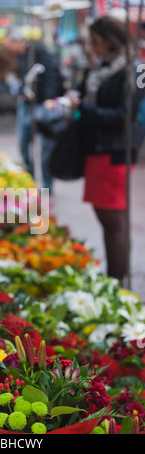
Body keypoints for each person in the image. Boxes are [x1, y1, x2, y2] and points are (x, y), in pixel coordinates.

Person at [70, 15, 145, 282]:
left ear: (110, 40)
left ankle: (117, 281)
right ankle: (114, 277)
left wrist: (84, 109)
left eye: (96, 41)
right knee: (106, 217)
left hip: (114, 152)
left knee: (114, 220)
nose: (92, 46)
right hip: (97, 149)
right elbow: (84, 94)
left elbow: (123, 115)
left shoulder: (135, 71)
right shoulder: (99, 68)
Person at [3, 28, 65, 192]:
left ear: (18, 41)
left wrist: (49, 99)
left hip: (43, 105)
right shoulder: (20, 56)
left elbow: (52, 75)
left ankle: (47, 183)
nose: (7, 49)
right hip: (26, 104)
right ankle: (29, 178)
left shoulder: (38, 53)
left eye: (9, 44)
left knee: (45, 147)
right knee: (24, 143)